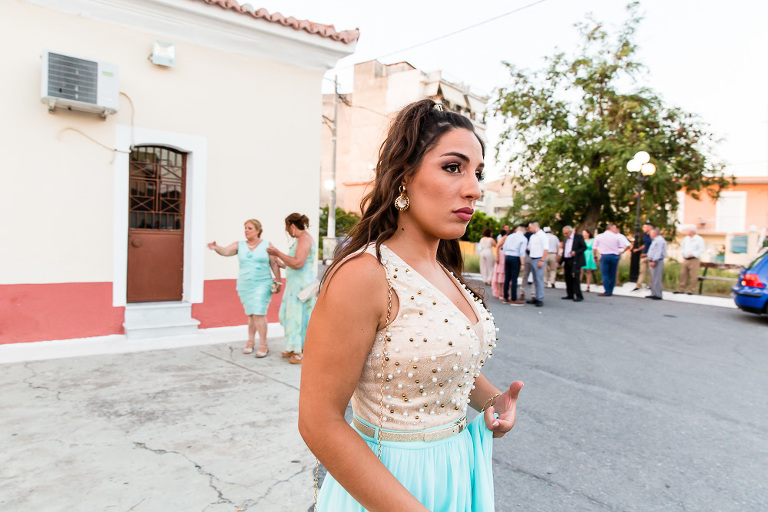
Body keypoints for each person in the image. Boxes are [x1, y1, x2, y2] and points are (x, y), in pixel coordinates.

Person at [299, 99, 523, 512]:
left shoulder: (444, 270)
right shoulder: (365, 275)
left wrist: (494, 402)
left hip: (457, 472)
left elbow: (432, 361)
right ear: (404, 177)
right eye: (453, 167)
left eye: (478, 173)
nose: (473, 188)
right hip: (388, 486)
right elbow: (319, 421)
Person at [207, 219, 282, 357]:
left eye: (250, 228)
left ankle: (264, 344)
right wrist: (216, 247)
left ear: (258, 230)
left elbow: (274, 264)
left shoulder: (267, 245)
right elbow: (225, 252)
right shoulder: (239, 245)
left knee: (259, 312)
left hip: (263, 283)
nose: (246, 230)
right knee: (251, 314)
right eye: (245, 228)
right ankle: (250, 341)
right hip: (245, 284)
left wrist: (278, 281)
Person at [266, 213, 317, 365]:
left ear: (292, 226)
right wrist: (282, 264)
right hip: (295, 286)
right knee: (291, 317)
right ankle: (293, 346)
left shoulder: (304, 239)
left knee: (298, 319)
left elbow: (298, 263)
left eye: (287, 227)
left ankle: (301, 351)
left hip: (301, 288)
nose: (286, 230)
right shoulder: (301, 239)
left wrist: (278, 253)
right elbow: (294, 264)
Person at [593, 223, 630, 297]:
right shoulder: (617, 237)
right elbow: (625, 245)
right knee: (612, 274)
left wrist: (595, 257)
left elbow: (594, 248)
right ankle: (611, 290)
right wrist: (621, 251)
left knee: (605, 274)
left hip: (604, 256)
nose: (616, 230)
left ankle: (607, 290)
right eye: (615, 228)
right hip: (614, 256)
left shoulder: (599, 236)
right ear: (611, 228)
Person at [674, 226, 705, 295]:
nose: (685, 232)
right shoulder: (686, 239)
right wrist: (683, 254)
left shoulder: (699, 239)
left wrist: (694, 254)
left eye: (687, 230)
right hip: (686, 259)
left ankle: (691, 290)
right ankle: (681, 289)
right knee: (683, 274)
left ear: (691, 231)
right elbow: (683, 247)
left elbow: (701, 249)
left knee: (693, 275)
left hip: (694, 259)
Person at [501, 224, 527, 305]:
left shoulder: (510, 236)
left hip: (507, 257)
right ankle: (513, 299)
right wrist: (522, 264)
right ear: (524, 231)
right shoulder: (523, 238)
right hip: (515, 258)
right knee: (514, 279)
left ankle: (505, 297)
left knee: (507, 278)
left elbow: (504, 248)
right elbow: (522, 253)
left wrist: (506, 257)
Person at [559, 225, 586, 302]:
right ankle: (570, 294)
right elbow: (564, 252)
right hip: (567, 260)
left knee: (575, 278)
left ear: (571, 232)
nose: (565, 235)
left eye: (567, 233)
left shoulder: (578, 237)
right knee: (567, 277)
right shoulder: (565, 240)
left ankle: (578, 295)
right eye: (564, 233)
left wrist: (576, 252)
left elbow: (584, 247)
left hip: (575, 260)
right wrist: (560, 262)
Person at [525, 221, 548, 307]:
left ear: (535, 226)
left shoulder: (543, 235)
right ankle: (535, 297)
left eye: (530, 227)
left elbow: (546, 249)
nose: (529, 229)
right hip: (532, 258)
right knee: (535, 279)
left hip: (539, 259)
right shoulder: (533, 236)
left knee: (539, 280)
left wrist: (542, 260)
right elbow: (529, 247)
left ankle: (540, 298)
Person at [631, 221, 654, 291]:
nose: (643, 228)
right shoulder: (644, 235)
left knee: (651, 272)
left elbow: (655, 247)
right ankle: (638, 285)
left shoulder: (654, 235)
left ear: (650, 228)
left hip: (651, 256)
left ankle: (651, 285)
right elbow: (645, 245)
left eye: (645, 227)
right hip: (644, 255)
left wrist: (647, 254)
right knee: (642, 271)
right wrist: (638, 249)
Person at [646, 228, 667, 300]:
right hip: (653, 260)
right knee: (653, 278)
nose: (650, 235)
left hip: (657, 261)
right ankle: (653, 293)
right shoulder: (656, 240)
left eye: (651, 233)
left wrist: (654, 260)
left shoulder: (659, 241)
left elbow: (658, 251)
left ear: (655, 233)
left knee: (657, 278)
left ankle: (658, 294)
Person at [491, 229, 507, 298]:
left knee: (504, 275)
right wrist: (497, 257)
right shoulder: (504, 238)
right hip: (502, 257)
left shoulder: (505, 238)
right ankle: (500, 293)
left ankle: (504, 292)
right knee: (501, 274)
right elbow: (497, 246)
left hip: (505, 257)